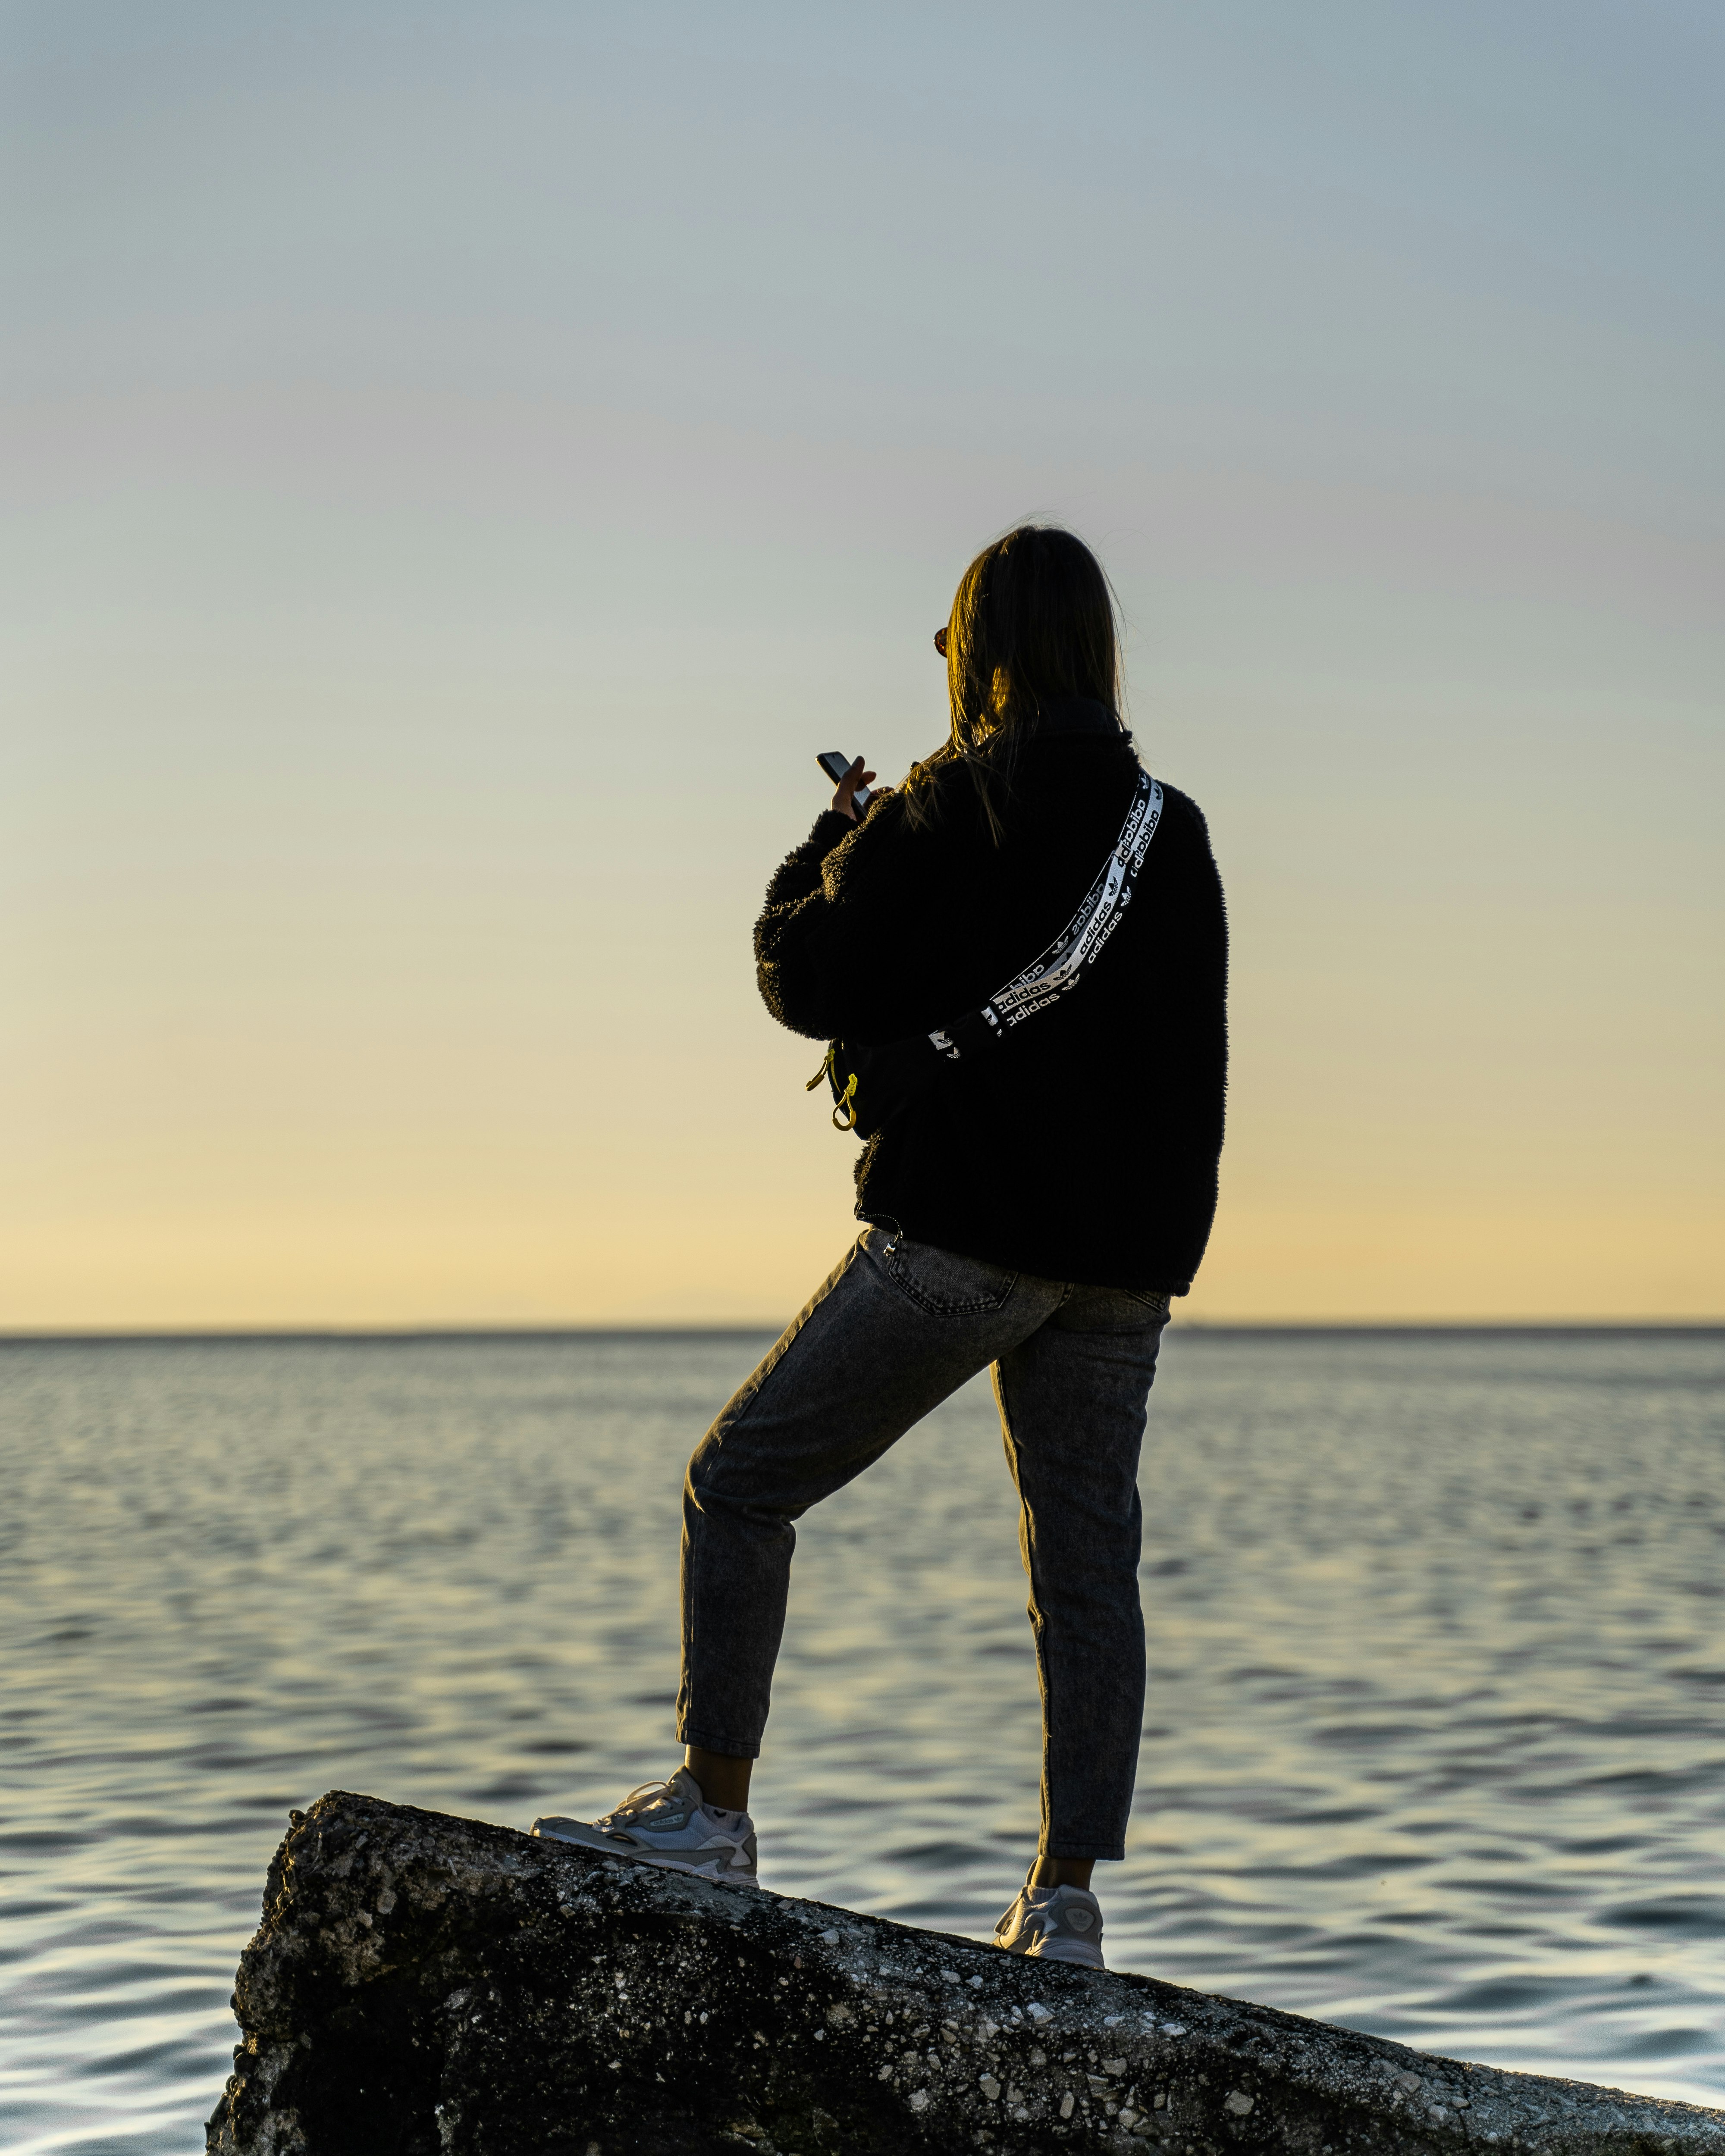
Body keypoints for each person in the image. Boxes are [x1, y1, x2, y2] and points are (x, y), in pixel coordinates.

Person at [534, 525, 1228, 1972]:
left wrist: (832, 834)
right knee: (1087, 1571)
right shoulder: (1173, 829)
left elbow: (800, 975)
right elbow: (1193, 1064)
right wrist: (1154, 1254)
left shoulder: (942, 810)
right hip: (1122, 1271)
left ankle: (713, 1819)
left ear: (977, 653)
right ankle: (1067, 1903)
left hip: (961, 1247)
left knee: (739, 1485)